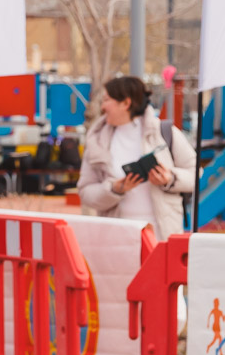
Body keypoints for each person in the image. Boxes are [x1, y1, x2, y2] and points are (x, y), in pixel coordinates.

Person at [78, 76, 194, 240]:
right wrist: (114, 189)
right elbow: (85, 191)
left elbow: (195, 174)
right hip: (117, 239)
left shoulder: (165, 132)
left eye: (106, 100)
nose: (102, 107)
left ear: (126, 103)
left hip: (162, 236)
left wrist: (169, 178)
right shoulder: (96, 141)